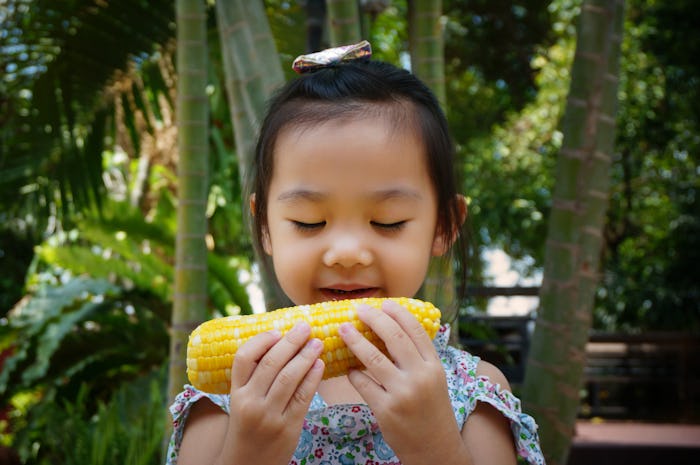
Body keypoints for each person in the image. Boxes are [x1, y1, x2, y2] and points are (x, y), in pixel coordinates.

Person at [166, 41, 545, 465]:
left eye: (388, 222)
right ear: (265, 226)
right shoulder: (227, 397)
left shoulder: (474, 394)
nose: (346, 254)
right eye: (309, 222)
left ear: (443, 226)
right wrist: (248, 452)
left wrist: (433, 446)